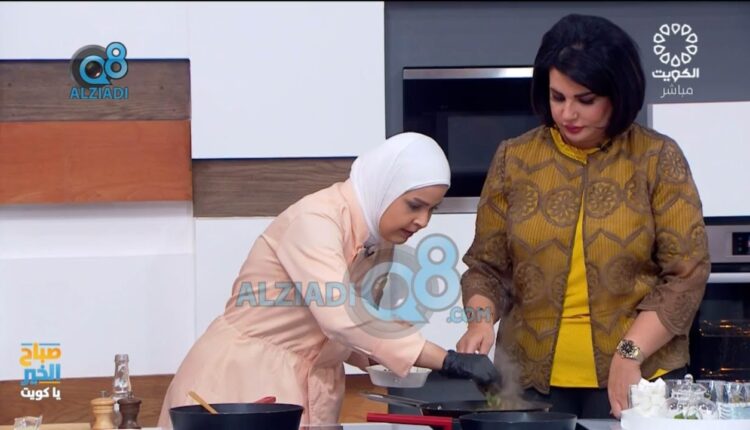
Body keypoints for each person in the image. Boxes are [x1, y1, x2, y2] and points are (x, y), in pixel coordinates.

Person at [456, 14, 709, 419]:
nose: (567, 113)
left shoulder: (658, 158)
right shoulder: (514, 158)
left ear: (618, 94)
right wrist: (480, 322)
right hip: (525, 379)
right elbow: (486, 268)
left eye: (585, 100)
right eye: (557, 97)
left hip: (638, 376)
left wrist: (630, 352)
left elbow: (686, 273)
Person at [158, 132, 499, 428]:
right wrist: (445, 359)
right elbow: (343, 317)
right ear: (384, 186)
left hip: (307, 388)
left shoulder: (379, 242)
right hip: (238, 385)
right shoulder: (315, 220)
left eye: (431, 210)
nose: (422, 221)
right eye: (414, 205)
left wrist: (408, 360)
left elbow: (361, 326)